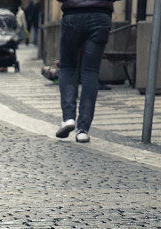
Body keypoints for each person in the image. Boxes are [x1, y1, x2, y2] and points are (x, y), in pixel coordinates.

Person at [54, 0, 116, 142]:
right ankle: (83, 130)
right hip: (101, 15)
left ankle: (68, 118)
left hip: (73, 14)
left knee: (68, 67)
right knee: (90, 71)